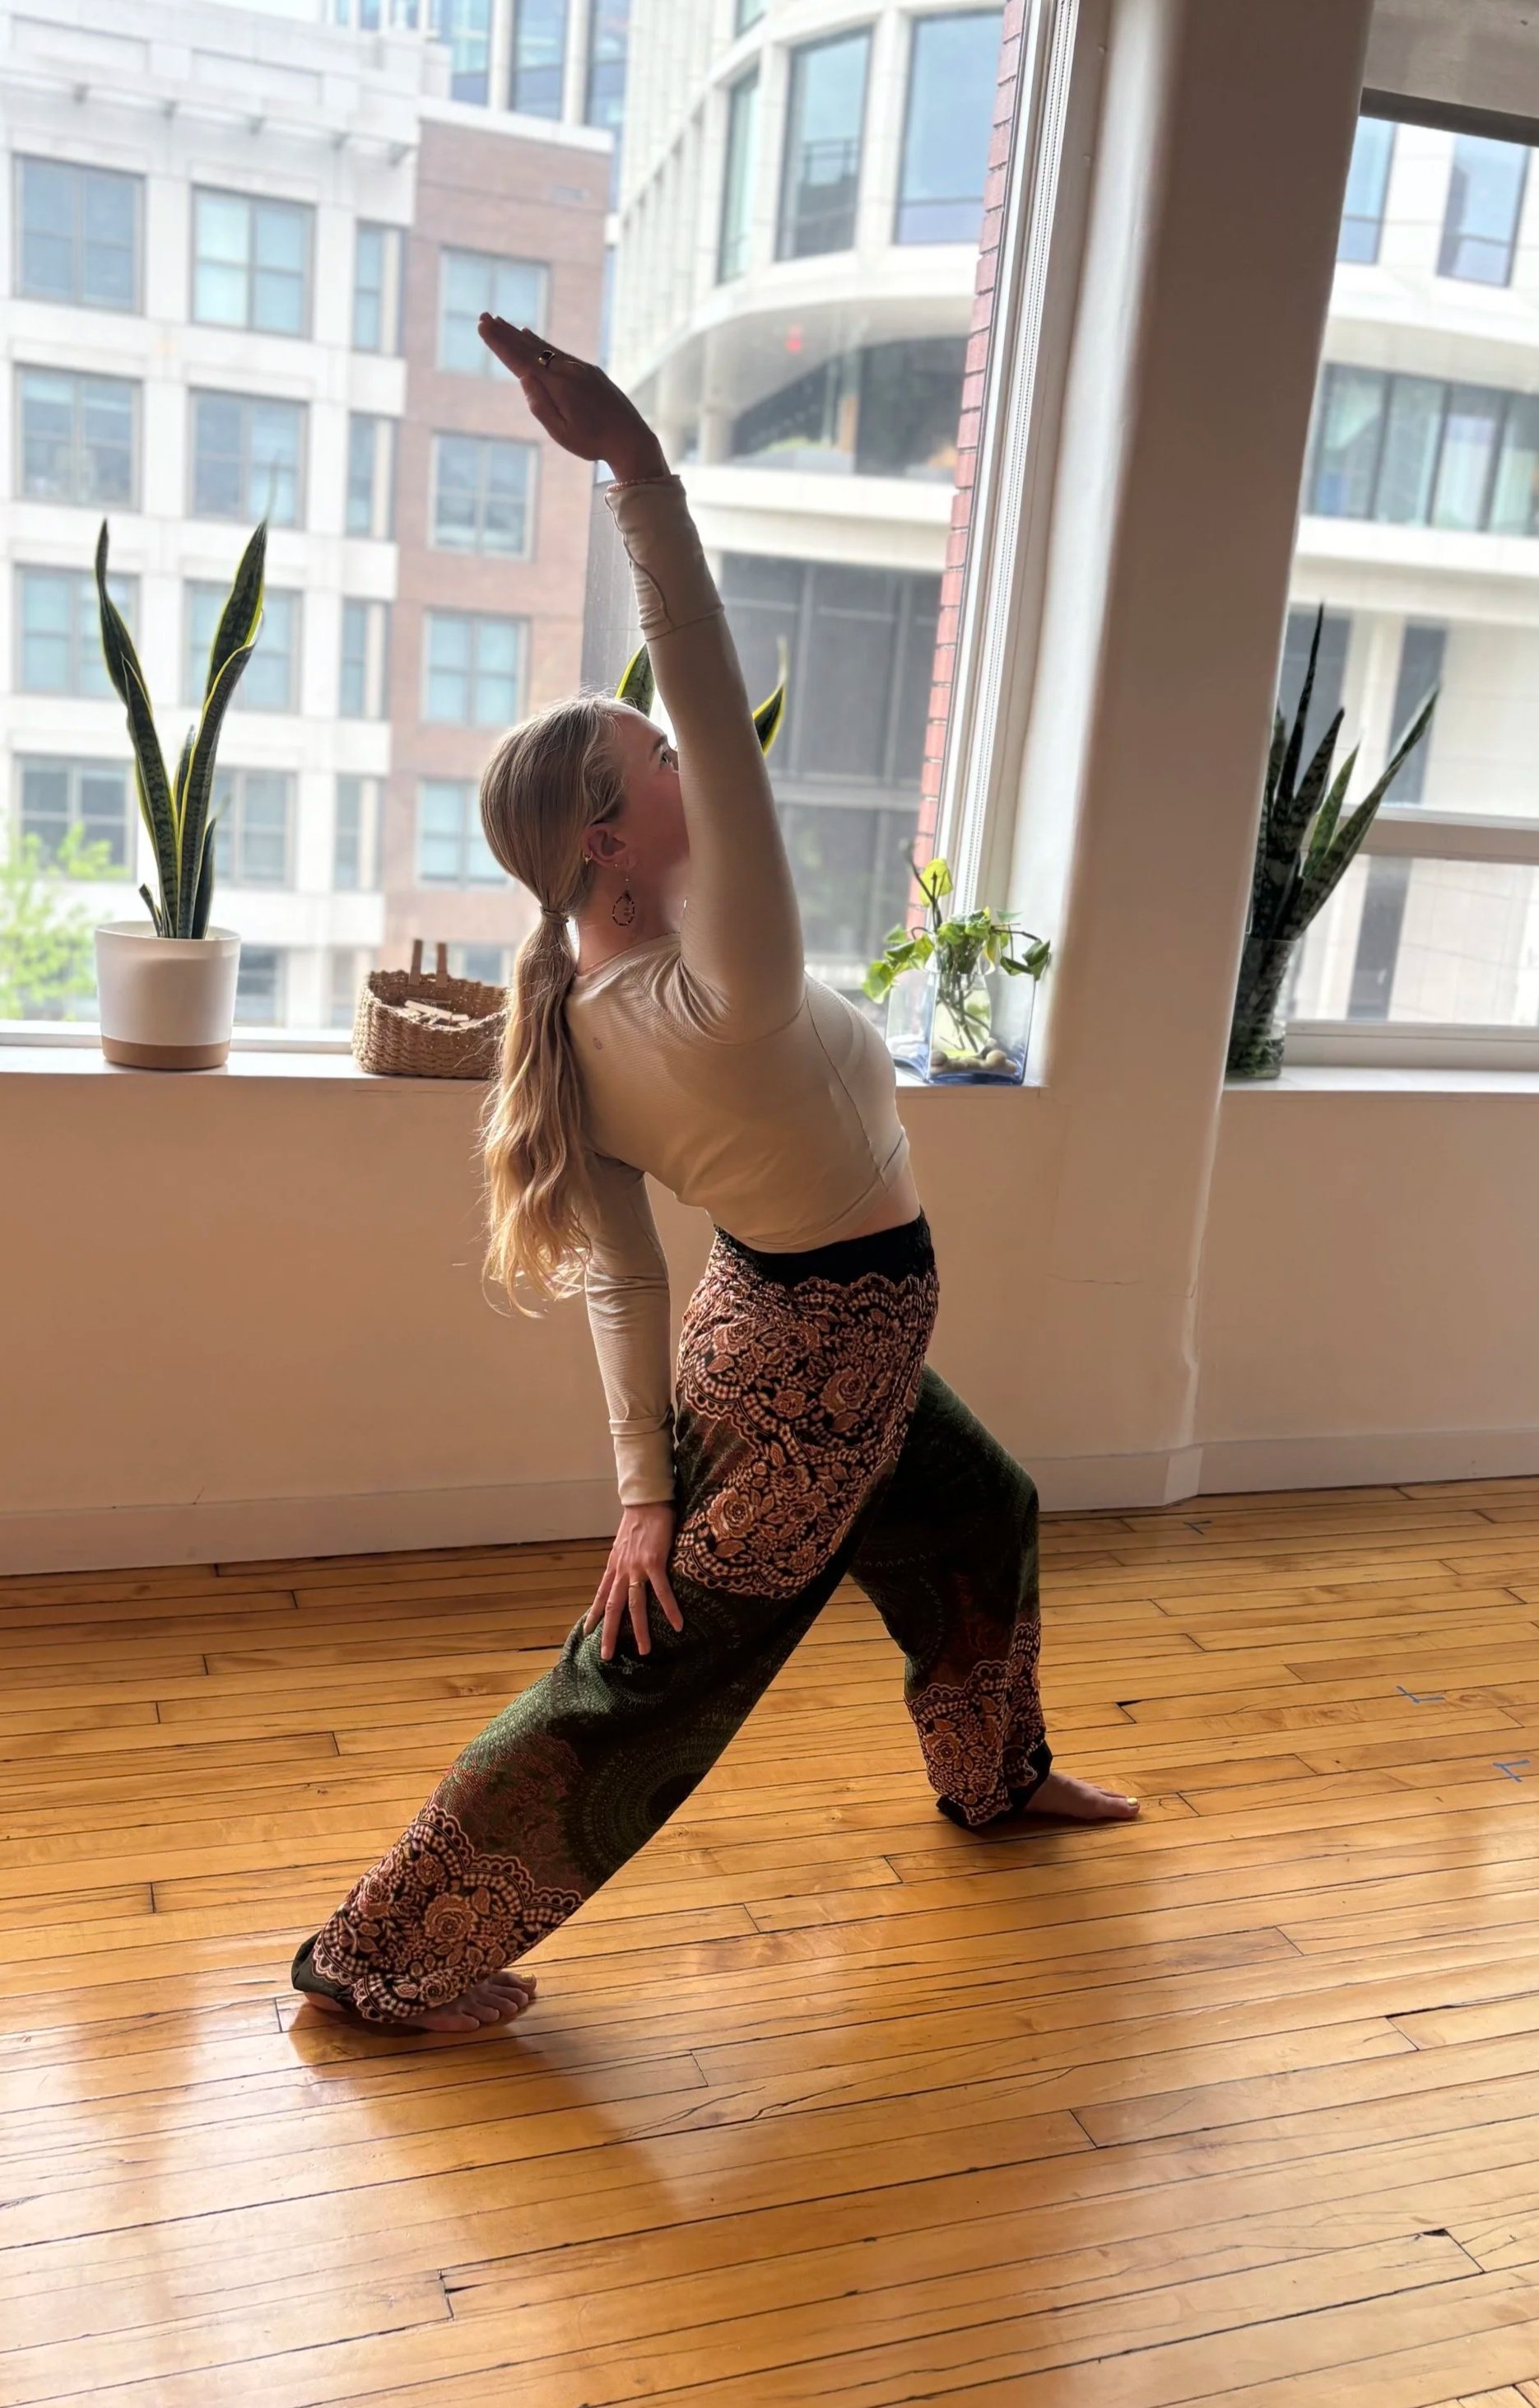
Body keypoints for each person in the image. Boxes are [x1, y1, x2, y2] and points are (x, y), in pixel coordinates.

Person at [289, 319, 1139, 2033]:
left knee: (983, 1514)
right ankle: (384, 1952)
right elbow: (714, 714)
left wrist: (643, 1489)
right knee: (650, 1678)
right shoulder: (719, 983)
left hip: (794, 1333)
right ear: (604, 837)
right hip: (816, 1368)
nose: (684, 763)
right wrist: (636, 478)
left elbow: (629, 1277)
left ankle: (990, 1778)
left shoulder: (586, 1011)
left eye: (667, 752)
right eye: (654, 761)